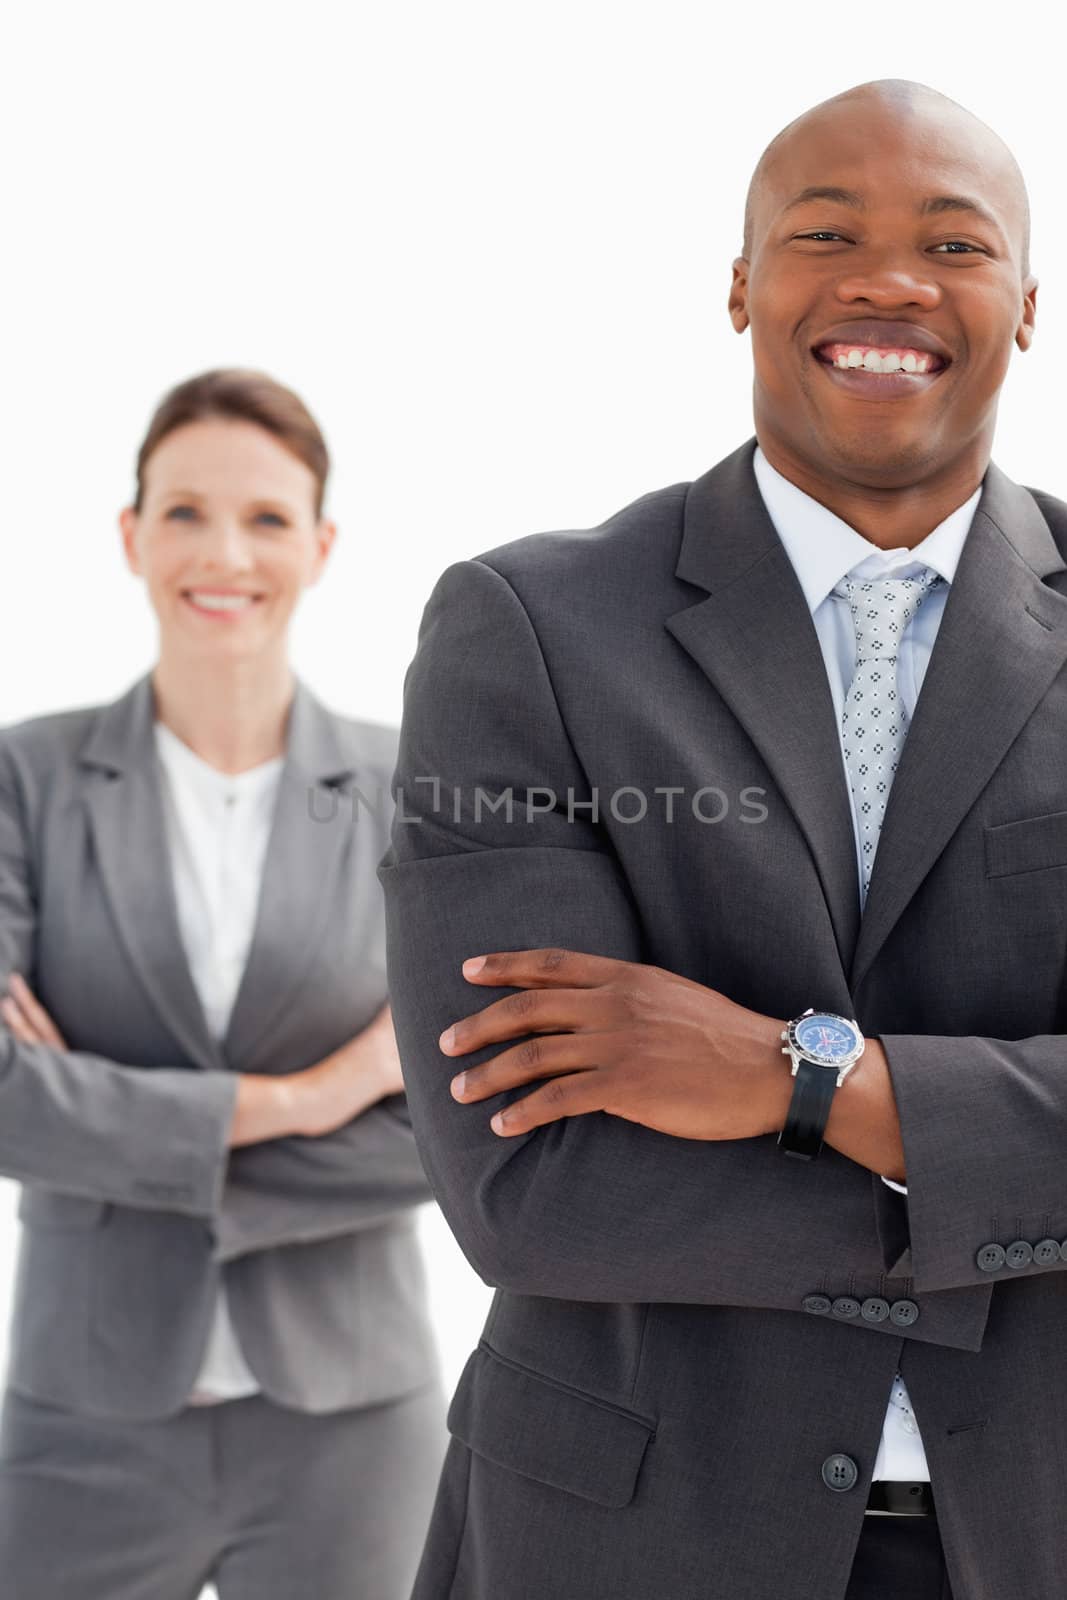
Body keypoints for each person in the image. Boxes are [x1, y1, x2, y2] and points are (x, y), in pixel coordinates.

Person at [377, 78, 1064, 1599]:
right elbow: (530, 1182)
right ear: (742, 284)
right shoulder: (531, 631)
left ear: (1023, 305)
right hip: (631, 1535)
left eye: (951, 243)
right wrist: (982, 1192)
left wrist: (795, 1081)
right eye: (825, 231)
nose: (886, 277)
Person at [0, 368, 448, 1599]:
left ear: (321, 544)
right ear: (132, 534)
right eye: (185, 511)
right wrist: (313, 1095)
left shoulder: (410, 787)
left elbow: (468, 1116)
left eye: (264, 518)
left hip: (353, 1418)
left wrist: (96, 1116)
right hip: (81, 1414)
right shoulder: (24, 780)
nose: (223, 552)